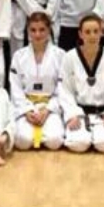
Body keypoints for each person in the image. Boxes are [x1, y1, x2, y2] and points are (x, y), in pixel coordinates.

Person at [58, 14, 104, 153]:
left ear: (102, 33)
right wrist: (72, 114)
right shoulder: (69, 57)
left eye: (96, 31)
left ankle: (101, 133)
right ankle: (86, 134)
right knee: (78, 145)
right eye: (87, 32)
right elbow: (65, 90)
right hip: (79, 114)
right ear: (80, 34)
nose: (92, 36)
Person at [10, 12, 66, 151]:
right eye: (33, 30)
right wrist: (27, 110)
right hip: (27, 105)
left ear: (49, 30)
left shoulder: (60, 55)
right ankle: (36, 134)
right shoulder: (19, 56)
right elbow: (15, 88)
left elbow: (62, 88)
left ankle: (43, 134)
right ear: (28, 31)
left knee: (54, 141)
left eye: (42, 30)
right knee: (23, 141)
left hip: (50, 106)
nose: (37, 34)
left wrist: (48, 110)